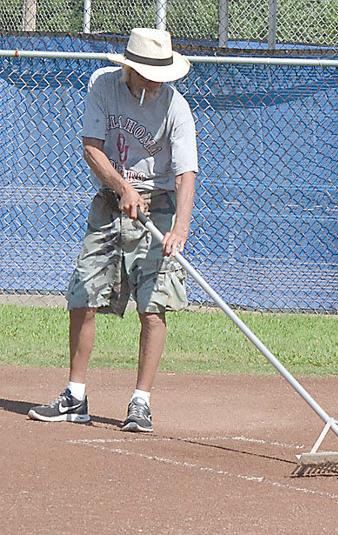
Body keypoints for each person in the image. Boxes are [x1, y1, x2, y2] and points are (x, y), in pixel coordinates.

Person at [28, 28, 198, 433]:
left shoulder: (177, 108)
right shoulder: (103, 87)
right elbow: (92, 146)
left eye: (161, 74)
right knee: (83, 295)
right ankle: (75, 396)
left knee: (153, 308)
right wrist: (122, 187)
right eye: (148, 72)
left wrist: (180, 228)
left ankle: (141, 403)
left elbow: (186, 173)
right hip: (110, 203)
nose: (156, 80)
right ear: (130, 69)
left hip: (157, 207)